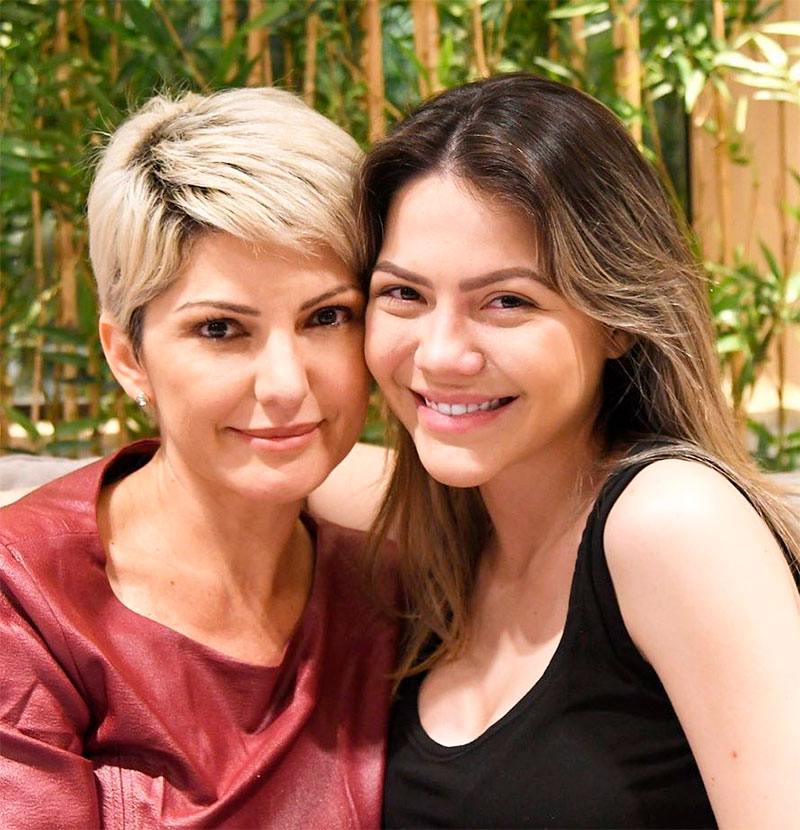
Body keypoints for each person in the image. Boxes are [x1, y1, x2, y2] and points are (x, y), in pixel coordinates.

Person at [315, 73, 800, 828]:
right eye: (404, 294)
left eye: (507, 301)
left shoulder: (673, 524)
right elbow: (269, 463)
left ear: (618, 321)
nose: (440, 354)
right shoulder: (448, 526)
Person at [0, 87, 397, 828]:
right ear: (128, 355)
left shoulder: (400, 587)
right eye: (220, 329)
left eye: (326, 316)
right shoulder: (23, 599)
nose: (285, 385)